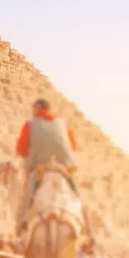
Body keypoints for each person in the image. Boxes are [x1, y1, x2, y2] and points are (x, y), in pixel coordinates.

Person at [14, 97, 79, 234]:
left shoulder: (30, 125)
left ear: (36, 109)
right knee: (75, 194)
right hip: (64, 169)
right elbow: (73, 146)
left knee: (27, 197)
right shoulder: (63, 124)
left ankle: (22, 226)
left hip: (41, 169)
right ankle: (85, 227)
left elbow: (21, 149)